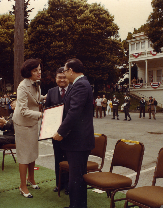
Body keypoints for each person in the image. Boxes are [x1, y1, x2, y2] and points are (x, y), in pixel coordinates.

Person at [53, 58, 95, 208]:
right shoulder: (77, 85)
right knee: (76, 177)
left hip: (78, 141)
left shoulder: (81, 85)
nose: (64, 74)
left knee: (76, 178)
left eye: (65, 71)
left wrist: (60, 132)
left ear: (71, 70)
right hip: (77, 141)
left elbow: (74, 112)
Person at [12, 59, 46, 198]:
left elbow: (37, 100)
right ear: (28, 73)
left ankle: (31, 178)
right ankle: (22, 185)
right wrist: (41, 115)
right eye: (35, 70)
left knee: (32, 152)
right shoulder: (22, 87)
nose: (38, 72)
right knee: (24, 155)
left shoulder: (36, 84)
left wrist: (47, 97)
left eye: (39, 69)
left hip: (32, 123)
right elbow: (24, 110)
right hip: (22, 124)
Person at [44, 67, 70, 194]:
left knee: (70, 160)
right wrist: (48, 131)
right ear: (55, 79)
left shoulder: (74, 90)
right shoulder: (51, 92)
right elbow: (47, 111)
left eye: (64, 77)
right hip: (55, 133)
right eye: (59, 77)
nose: (62, 80)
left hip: (71, 134)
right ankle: (59, 184)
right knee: (58, 159)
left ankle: (70, 186)